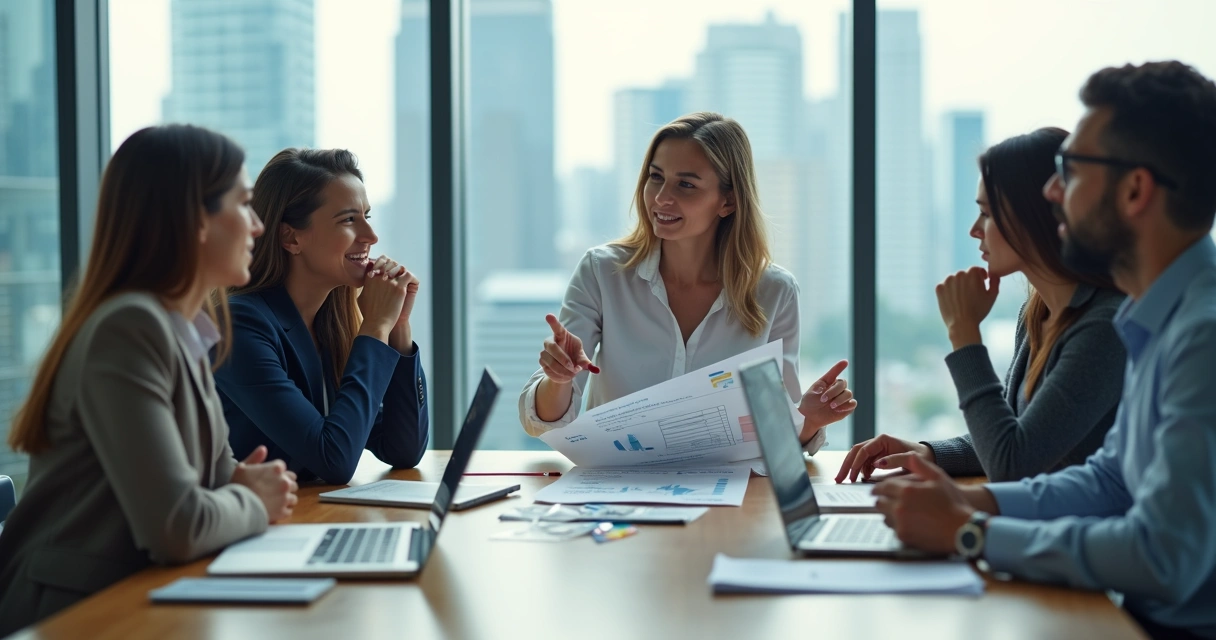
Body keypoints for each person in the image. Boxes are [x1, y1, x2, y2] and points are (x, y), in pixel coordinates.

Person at [873, 61, 1216, 639]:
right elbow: (1110, 480)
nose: (1054, 194)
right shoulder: (1155, 316)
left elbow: (1164, 556)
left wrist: (970, 533)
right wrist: (972, 508)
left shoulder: (1201, 336)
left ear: (1135, 190)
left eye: (1071, 171)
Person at [0, 125, 297, 633]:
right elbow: (178, 526)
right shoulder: (130, 328)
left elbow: (217, 475)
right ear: (194, 219)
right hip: (72, 613)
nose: (257, 226)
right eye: (244, 204)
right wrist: (253, 500)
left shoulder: (184, 327)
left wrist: (239, 488)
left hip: (141, 594)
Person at [519, 112, 855, 452]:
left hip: (729, 483)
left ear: (728, 201)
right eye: (656, 177)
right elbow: (541, 422)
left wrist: (810, 419)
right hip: (617, 480)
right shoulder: (601, 272)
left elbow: (778, 440)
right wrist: (558, 379)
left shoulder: (775, 292)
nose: (661, 197)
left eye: (686, 185)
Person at [837, 128, 1126, 483]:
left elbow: (1011, 463)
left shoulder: (1105, 327)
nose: (975, 230)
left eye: (987, 214)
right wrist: (927, 452)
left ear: (1035, 217)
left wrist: (964, 334)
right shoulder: (1036, 312)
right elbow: (1013, 435)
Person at [214, 149, 428, 486]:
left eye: (366, 216)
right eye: (348, 220)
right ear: (291, 237)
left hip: (305, 510)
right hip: (254, 515)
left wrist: (397, 327)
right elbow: (334, 460)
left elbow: (403, 449)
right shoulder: (240, 326)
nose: (371, 237)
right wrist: (375, 326)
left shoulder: (331, 323)